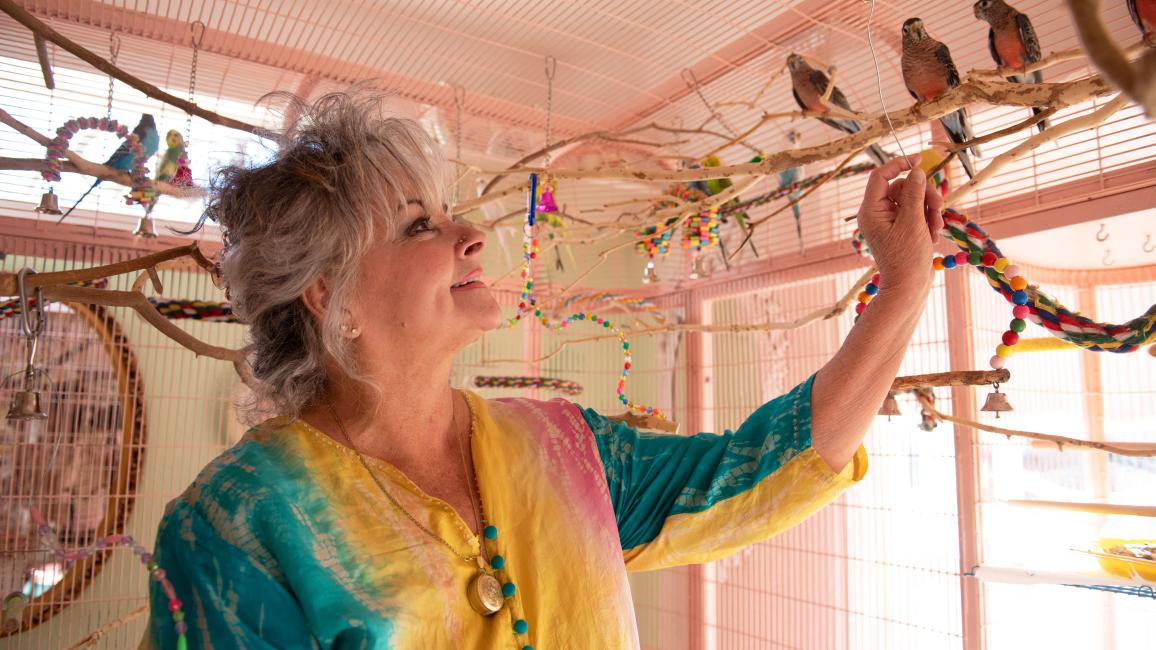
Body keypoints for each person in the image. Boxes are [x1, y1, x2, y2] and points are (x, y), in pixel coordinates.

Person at [144, 90, 942, 649]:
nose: (469, 235)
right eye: (419, 224)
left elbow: (768, 468)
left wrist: (903, 285)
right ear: (330, 293)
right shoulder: (235, 526)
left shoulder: (559, 445)